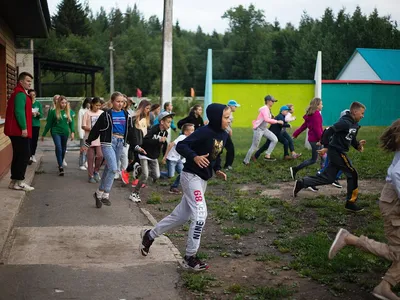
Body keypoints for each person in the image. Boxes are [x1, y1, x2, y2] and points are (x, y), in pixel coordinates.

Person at [139, 103, 230, 271]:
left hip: (202, 180)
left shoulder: (223, 134)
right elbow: (181, 146)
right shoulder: (204, 132)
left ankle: (149, 235)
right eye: (226, 117)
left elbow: (216, 154)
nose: (229, 119)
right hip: (190, 177)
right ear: (217, 118)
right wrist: (194, 157)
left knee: (180, 217)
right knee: (200, 215)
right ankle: (190, 257)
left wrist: (217, 169)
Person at [328, 119, 400, 300]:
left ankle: (385, 286)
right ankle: (349, 239)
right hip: (394, 202)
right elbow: (395, 173)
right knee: (397, 252)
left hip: (393, 198)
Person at [293, 102, 367, 212]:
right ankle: (350, 202)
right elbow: (328, 130)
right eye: (362, 113)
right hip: (337, 152)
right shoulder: (345, 122)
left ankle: (302, 183)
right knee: (352, 173)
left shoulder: (354, 124)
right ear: (355, 112)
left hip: (338, 152)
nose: (363, 116)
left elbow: (350, 138)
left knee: (328, 178)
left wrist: (357, 145)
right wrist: (325, 145)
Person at [81, 92, 135, 208]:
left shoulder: (126, 115)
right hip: (108, 142)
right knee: (114, 168)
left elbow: (131, 132)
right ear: (112, 102)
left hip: (120, 143)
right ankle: (106, 194)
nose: (120, 104)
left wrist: (136, 146)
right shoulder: (106, 114)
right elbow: (96, 129)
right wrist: (88, 142)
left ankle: (98, 193)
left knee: (109, 169)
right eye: (118, 101)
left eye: (122, 102)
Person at [129, 111, 175, 203]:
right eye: (168, 122)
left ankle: (139, 170)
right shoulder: (153, 129)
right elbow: (144, 141)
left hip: (154, 156)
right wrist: (158, 140)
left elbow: (163, 145)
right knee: (145, 176)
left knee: (156, 175)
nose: (170, 124)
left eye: (170, 122)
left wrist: (164, 156)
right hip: (145, 154)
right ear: (162, 122)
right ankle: (135, 193)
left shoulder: (165, 133)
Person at [4, 72, 35, 191]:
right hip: (19, 131)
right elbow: (19, 112)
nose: (29, 83)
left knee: (18, 155)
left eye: (30, 81)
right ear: (20, 81)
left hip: (16, 131)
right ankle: (19, 182)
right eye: (27, 81)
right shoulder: (20, 94)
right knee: (24, 155)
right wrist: (24, 128)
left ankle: (14, 181)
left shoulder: (19, 93)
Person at [289, 98, 324, 185]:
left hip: (313, 140)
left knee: (323, 157)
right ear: (317, 105)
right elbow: (317, 129)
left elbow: (303, 126)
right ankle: (296, 169)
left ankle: (322, 175)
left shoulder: (311, 114)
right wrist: (322, 140)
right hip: (316, 140)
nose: (322, 106)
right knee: (314, 159)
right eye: (321, 104)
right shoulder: (316, 115)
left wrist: (295, 134)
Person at [41, 96, 75, 176]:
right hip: (55, 132)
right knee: (58, 147)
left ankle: (61, 160)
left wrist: (72, 132)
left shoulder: (68, 111)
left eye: (65, 103)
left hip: (65, 132)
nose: (64, 104)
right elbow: (48, 124)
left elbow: (71, 123)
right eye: (62, 102)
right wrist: (43, 134)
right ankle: (60, 166)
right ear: (59, 102)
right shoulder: (53, 112)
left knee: (63, 149)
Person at [243, 95, 281, 164]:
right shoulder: (265, 108)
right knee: (254, 147)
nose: (273, 103)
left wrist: (272, 117)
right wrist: (277, 121)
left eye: (274, 101)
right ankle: (246, 161)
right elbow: (266, 119)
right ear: (268, 101)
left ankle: (267, 155)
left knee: (275, 139)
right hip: (259, 129)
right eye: (272, 101)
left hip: (264, 129)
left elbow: (266, 118)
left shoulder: (268, 109)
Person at [161, 123, 195, 194]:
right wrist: (165, 156)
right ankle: (156, 174)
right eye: (191, 130)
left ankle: (174, 187)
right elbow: (170, 144)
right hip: (172, 158)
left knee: (183, 173)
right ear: (185, 132)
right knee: (170, 175)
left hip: (179, 159)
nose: (193, 132)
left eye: (193, 130)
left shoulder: (190, 139)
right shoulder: (182, 137)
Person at [129, 99, 151, 187]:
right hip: (136, 143)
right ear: (142, 108)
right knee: (138, 162)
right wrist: (135, 144)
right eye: (147, 108)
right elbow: (133, 133)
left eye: (149, 109)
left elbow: (146, 131)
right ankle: (136, 180)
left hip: (144, 142)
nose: (148, 111)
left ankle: (128, 173)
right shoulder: (135, 118)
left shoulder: (146, 119)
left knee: (138, 162)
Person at [82, 97, 104, 183]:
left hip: (99, 139)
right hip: (89, 138)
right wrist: (93, 129)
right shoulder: (87, 113)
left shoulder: (102, 113)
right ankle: (90, 175)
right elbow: (83, 126)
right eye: (96, 105)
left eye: (99, 105)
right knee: (90, 158)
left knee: (100, 156)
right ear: (92, 104)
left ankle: (96, 171)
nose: (98, 107)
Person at [223, 100, 240, 170]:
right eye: (235, 106)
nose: (236, 108)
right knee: (230, 149)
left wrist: (230, 129)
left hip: (225, 133)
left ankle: (227, 165)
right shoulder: (226, 112)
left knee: (222, 149)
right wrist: (229, 130)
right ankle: (227, 166)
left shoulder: (230, 112)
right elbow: (224, 122)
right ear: (231, 106)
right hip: (224, 132)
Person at [28, 89, 43, 164]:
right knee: (29, 140)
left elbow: (42, 115)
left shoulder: (38, 103)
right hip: (28, 125)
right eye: (30, 95)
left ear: (35, 95)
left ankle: (33, 154)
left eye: (33, 95)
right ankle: (29, 155)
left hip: (36, 124)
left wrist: (38, 114)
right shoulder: (27, 103)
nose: (32, 96)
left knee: (34, 140)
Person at [78, 97, 91, 171]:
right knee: (83, 149)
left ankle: (86, 161)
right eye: (88, 103)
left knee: (89, 149)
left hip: (90, 133)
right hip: (83, 133)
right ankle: (81, 164)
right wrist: (81, 134)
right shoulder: (81, 111)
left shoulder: (91, 111)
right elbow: (80, 123)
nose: (89, 105)